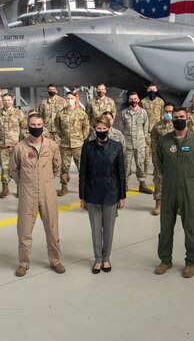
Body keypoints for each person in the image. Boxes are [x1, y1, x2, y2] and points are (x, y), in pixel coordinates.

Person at [154, 108, 194, 279]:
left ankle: (190, 262)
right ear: (171, 119)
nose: (178, 120)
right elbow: (160, 164)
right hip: (169, 188)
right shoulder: (164, 141)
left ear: (188, 119)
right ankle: (165, 260)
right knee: (165, 226)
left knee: (191, 226)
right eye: (176, 117)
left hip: (189, 188)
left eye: (182, 117)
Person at [10, 114, 64, 277]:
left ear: (43, 125)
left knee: (52, 229)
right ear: (27, 126)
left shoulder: (52, 145)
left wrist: (46, 181)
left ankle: (55, 260)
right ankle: (23, 263)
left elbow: (57, 166)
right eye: (33, 124)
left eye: (39, 124)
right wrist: (26, 183)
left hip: (48, 192)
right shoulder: (20, 147)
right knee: (24, 230)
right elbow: (14, 170)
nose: (36, 127)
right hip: (28, 193)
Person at [79, 116, 126, 273]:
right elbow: (83, 174)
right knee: (96, 228)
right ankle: (97, 259)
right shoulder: (87, 147)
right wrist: (82, 197)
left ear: (109, 129)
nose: (101, 131)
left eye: (103, 129)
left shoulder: (117, 146)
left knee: (108, 228)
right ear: (94, 129)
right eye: (98, 129)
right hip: (92, 193)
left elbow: (121, 173)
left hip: (111, 193)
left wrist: (122, 196)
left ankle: (106, 258)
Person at [54, 91, 89, 196]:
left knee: (81, 167)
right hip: (65, 145)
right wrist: (62, 136)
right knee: (64, 167)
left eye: (71, 98)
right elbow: (57, 126)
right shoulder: (60, 113)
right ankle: (64, 187)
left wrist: (81, 138)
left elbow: (86, 127)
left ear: (75, 100)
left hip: (78, 145)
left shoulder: (81, 113)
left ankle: (84, 188)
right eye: (68, 98)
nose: (69, 100)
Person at [0, 92, 27, 198]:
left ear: (12, 101)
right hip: (3, 147)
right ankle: (5, 188)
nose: (6, 102)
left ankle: (19, 189)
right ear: (2, 101)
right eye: (4, 100)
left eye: (8, 100)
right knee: (4, 168)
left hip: (16, 147)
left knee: (18, 168)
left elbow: (24, 129)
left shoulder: (18, 113)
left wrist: (23, 144)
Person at [121, 90, 152, 194]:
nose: (133, 100)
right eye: (131, 99)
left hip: (140, 144)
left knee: (140, 165)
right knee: (126, 165)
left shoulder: (143, 112)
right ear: (128, 100)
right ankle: (124, 184)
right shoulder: (124, 113)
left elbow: (146, 128)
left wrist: (143, 141)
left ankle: (142, 184)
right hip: (127, 144)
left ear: (138, 100)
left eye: (135, 98)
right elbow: (122, 129)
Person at [150, 103, 175, 215]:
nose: (168, 114)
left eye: (170, 112)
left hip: (175, 159)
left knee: (176, 182)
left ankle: (176, 205)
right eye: (166, 111)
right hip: (161, 159)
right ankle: (158, 205)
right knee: (159, 181)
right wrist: (156, 157)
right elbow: (154, 141)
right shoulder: (157, 126)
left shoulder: (178, 125)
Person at [140, 83, 165, 176]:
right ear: (147, 91)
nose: (152, 92)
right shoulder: (143, 102)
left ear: (156, 90)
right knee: (145, 153)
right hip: (146, 131)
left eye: (154, 90)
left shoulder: (161, 102)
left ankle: (156, 169)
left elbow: (162, 116)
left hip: (156, 131)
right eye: (150, 90)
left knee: (156, 153)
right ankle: (145, 169)